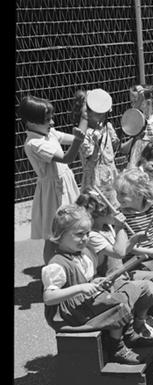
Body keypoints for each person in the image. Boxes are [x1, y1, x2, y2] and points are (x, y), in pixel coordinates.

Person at [42, 204, 153, 364]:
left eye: (87, 233)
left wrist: (94, 282)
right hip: (71, 313)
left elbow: (85, 280)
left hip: (84, 303)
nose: (85, 238)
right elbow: (49, 297)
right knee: (119, 301)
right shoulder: (56, 265)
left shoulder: (83, 254)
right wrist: (80, 288)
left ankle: (129, 334)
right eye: (79, 234)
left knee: (136, 289)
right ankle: (116, 347)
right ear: (60, 234)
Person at [21, 94, 88, 264]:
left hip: (65, 184)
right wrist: (78, 140)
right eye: (47, 120)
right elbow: (66, 158)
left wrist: (85, 115)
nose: (52, 122)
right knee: (53, 235)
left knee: (73, 225)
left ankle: (71, 265)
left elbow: (76, 138)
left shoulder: (49, 133)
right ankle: (51, 270)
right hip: (52, 192)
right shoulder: (34, 143)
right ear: (31, 122)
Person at [72, 89, 121, 203]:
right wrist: (97, 145)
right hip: (95, 179)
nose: (102, 114)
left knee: (114, 204)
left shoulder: (107, 127)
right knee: (97, 206)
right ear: (86, 112)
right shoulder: (84, 134)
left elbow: (116, 148)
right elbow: (90, 162)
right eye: (97, 112)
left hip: (110, 174)